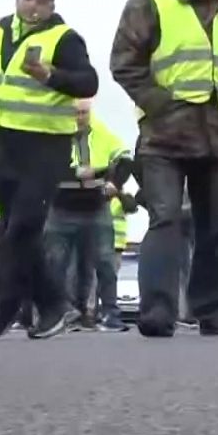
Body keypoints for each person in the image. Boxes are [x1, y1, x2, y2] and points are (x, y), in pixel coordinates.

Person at [113, 0, 218, 338]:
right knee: (165, 220)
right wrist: (162, 105)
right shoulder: (148, 2)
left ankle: (211, 309)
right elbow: (124, 62)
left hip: (217, 135)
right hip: (164, 139)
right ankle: (157, 311)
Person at [0, 0, 99, 340]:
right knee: (18, 232)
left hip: (46, 146)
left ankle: (3, 311)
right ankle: (54, 306)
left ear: (53, 5)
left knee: (20, 229)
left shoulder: (63, 38)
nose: (34, 5)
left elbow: (88, 81)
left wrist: (50, 75)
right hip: (5, 145)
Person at [46, 100, 131, 331]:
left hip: (95, 208)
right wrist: (81, 174)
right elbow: (45, 166)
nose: (80, 117)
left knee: (104, 262)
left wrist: (113, 181)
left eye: (84, 112)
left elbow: (125, 158)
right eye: (76, 113)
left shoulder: (103, 133)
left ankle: (110, 315)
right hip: (60, 209)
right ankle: (62, 314)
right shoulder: (54, 135)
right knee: (56, 262)